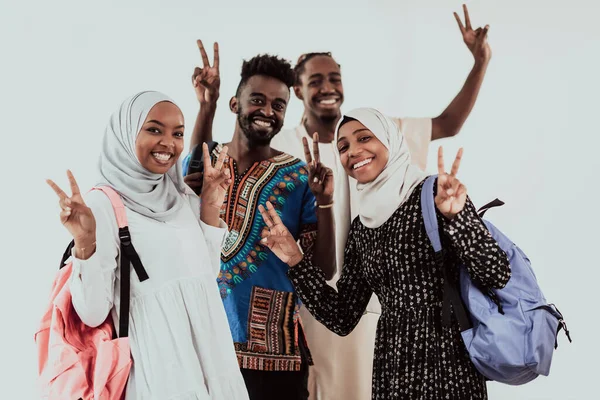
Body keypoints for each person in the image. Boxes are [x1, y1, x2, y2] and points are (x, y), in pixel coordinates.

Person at [187, 5, 492, 397]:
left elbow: (448, 123)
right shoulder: (278, 145)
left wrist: (480, 61)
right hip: (314, 304)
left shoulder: (380, 142)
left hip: (390, 323)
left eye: (334, 77)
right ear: (299, 92)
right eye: (315, 80)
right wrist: (206, 106)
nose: (327, 87)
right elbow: (201, 173)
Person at [258, 107, 511, 400]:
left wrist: (459, 219)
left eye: (365, 138)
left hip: (448, 363)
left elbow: (497, 273)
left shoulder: (435, 196)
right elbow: (341, 316)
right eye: (343, 147)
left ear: (389, 140)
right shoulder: (363, 226)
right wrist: (295, 259)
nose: (353, 151)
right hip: (393, 368)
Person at [46, 91, 249, 400]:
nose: (169, 142)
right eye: (154, 129)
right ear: (127, 134)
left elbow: (206, 276)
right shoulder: (104, 204)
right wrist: (85, 241)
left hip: (213, 363)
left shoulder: (179, 195)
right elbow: (92, 313)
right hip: (162, 373)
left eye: (177, 133)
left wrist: (209, 206)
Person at [183, 54, 336, 400]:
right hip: (201, 343)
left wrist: (324, 202)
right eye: (257, 100)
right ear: (235, 103)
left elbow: (324, 269)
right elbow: (191, 177)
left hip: (274, 356)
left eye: (278, 105)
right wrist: (206, 107)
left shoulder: (299, 176)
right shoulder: (205, 166)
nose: (268, 111)